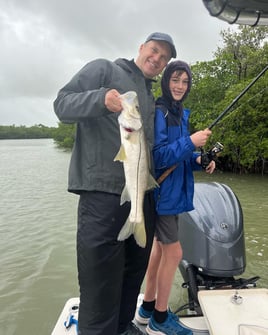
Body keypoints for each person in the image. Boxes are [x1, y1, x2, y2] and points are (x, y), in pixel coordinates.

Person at [53, 32, 177, 335]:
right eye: (154, 51)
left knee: (132, 272)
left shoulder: (149, 95)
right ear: (141, 48)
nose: (157, 59)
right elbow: (62, 104)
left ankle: (123, 327)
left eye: (164, 58)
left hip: (140, 197)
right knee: (100, 282)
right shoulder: (104, 69)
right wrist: (100, 99)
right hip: (102, 196)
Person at [135, 60, 216, 335]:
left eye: (185, 81)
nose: (180, 86)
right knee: (175, 252)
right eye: (175, 80)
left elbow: (178, 155)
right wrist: (191, 142)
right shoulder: (160, 112)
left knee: (159, 251)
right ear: (166, 81)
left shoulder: (179, 113)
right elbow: (157, 157)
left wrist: (198, 160)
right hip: (163, 195)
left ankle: (147, 308)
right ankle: (160, 318)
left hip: (175, 192)